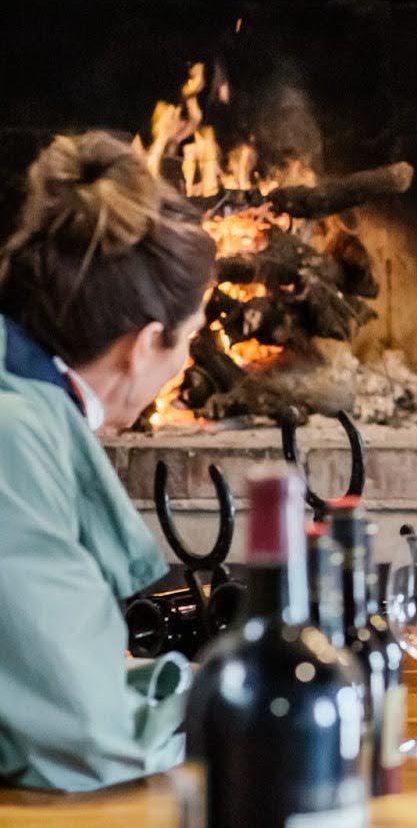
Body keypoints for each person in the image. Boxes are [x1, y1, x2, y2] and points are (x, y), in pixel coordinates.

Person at [0, 131, 215, 791]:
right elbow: (90, 739)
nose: (187, 362)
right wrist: (231, 700)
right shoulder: (12, 440)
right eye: (193, 337)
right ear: (146, 345)